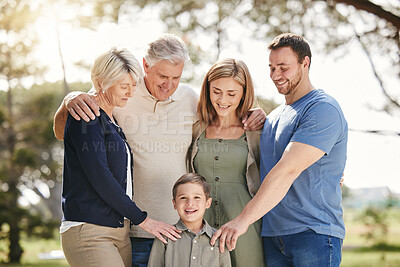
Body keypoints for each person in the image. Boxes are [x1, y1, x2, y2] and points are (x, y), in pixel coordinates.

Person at [53, 34, 266, 267]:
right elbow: (65, 131)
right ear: (146, 65)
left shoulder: (190, 99)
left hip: (179, 233)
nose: (169, 84)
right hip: (133, 229)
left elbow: (224, 115)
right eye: (162, 76)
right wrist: (70, 99)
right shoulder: (123, 94)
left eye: (176, 77)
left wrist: (255, 113)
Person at [211, 33, 348, 267]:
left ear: (305, 64)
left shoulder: (322, 109)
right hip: (272, 236)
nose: (275, 75)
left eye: (283, 68)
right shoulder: (273, 117)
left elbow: (287, 170)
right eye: (272, 68)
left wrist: (242, 220)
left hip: (313, 234)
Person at [60, 48, 179, 267]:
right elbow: (101, 178)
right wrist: (143, 220)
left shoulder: (112, 121)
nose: (130, 93)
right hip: (90, 230)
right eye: (124, 86)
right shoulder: (87, 117)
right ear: (100, 82)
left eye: (134, 85)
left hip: (118, 230)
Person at [187, 58, 265, 267]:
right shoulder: (196, 128)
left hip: (244, 229)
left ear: (243, 94)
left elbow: (285, 164)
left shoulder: (257, 130)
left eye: (232, 94)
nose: (223, 99)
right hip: (202, 227)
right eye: (216, 91)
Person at [148, 173, 231, 267]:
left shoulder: (219, 238)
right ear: (174, 203)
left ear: (208, 203)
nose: (190, 203)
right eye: (183, 198)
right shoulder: (164, 237)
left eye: (197, 197)